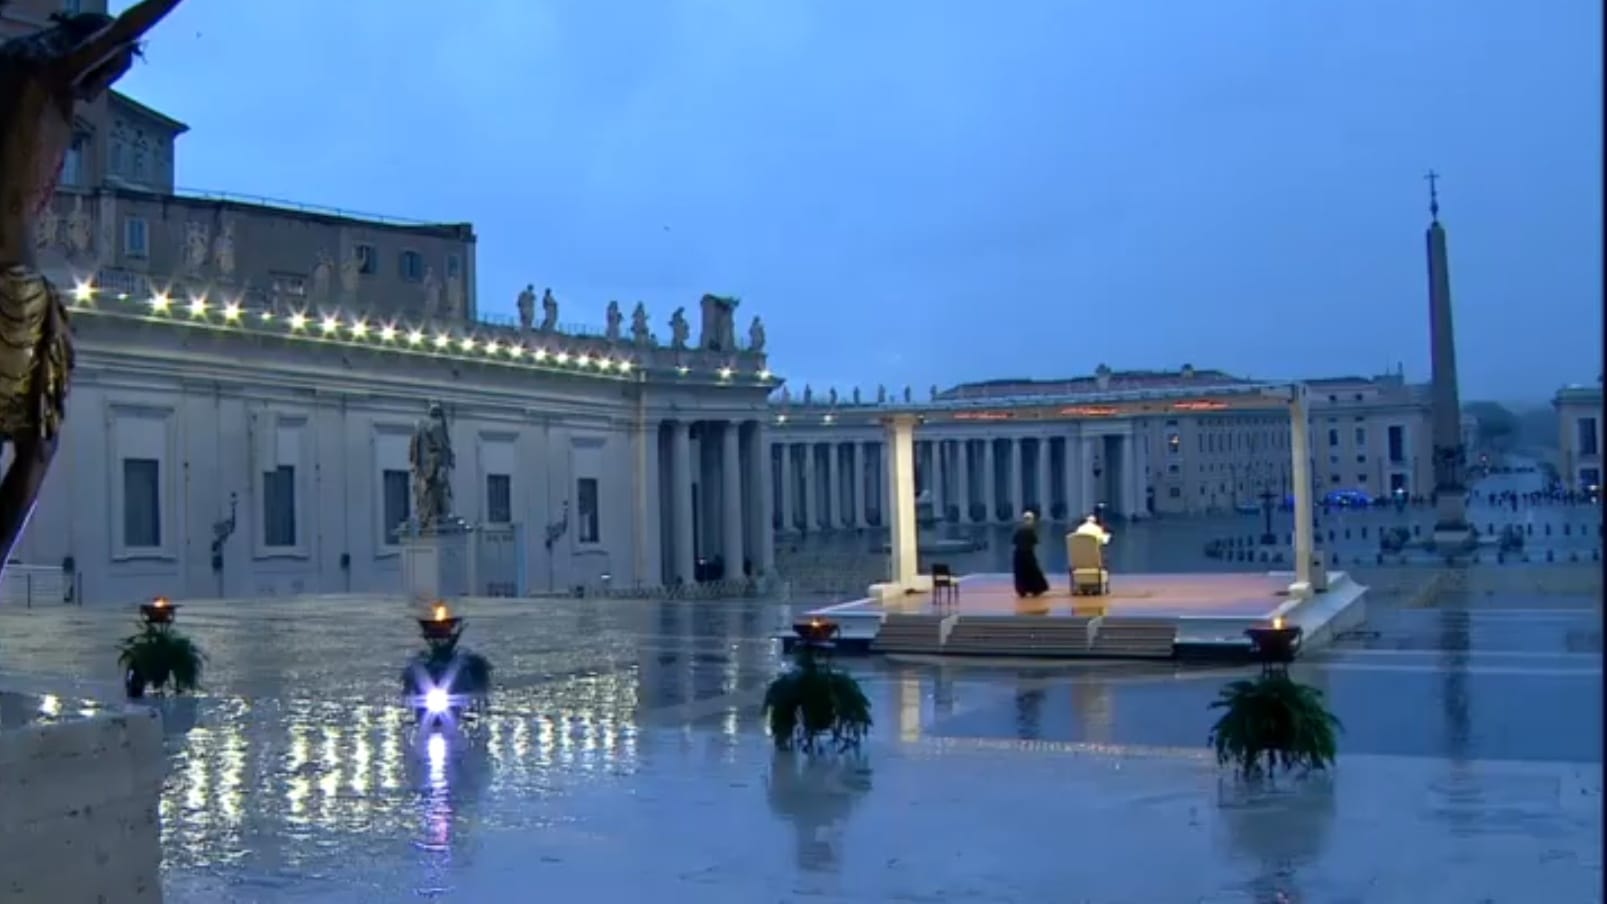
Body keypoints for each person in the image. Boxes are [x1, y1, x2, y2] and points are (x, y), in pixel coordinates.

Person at [1011, 511, 1050, 598]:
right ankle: (1036, 589)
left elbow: (1014, 541)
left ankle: (1022, 591)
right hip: (1028, 554)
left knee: (1021, 574)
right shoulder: (1030, 530)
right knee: (1033, 572)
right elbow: (1035, 542)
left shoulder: (1019, 529)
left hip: (1018, 555)